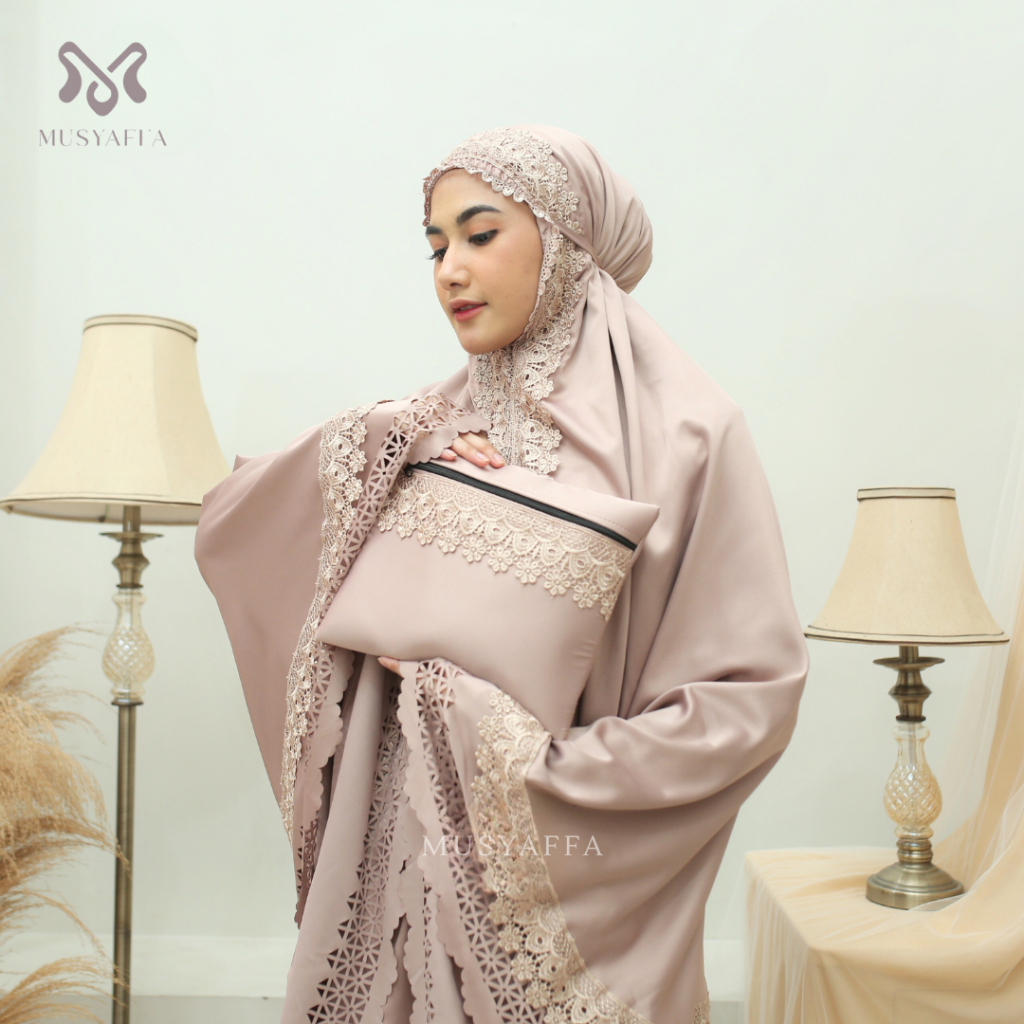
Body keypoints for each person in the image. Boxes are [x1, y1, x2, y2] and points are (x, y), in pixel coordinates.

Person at [195, 125, 808, 1024]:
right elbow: (232, 522)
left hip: (559, 877)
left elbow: (746, 702)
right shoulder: (427, 422)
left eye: (480, 235)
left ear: (564, 240)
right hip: (401, 870)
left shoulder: (692, 434)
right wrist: (387, 439)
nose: (450, 270)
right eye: (436, 246)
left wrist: (511, 750)